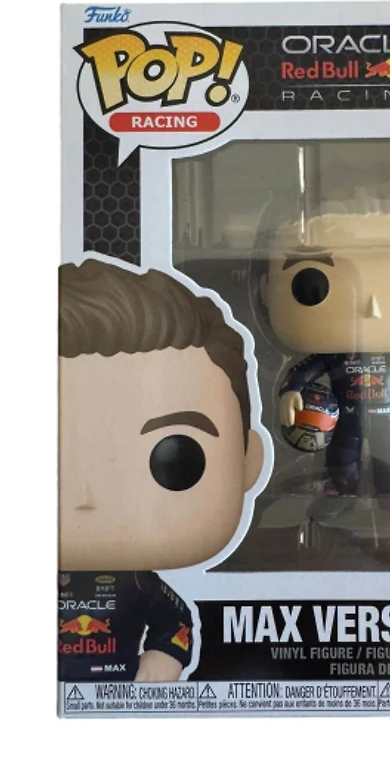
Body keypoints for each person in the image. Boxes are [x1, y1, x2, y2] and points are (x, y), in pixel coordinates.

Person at [59, 259, 265, 680]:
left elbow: (176, 623)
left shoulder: (140, 583)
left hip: (118, 686)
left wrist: (164, 657)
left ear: (248, 462)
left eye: (177, 459)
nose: (86, 497)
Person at [260, 209, 390, 496]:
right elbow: (304, 369)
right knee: (342, 457)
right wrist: (291, 390)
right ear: (266, 290)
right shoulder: (334, 353)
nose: (373, 308)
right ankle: (340, 488)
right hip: (347, 416)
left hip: (387, 417)